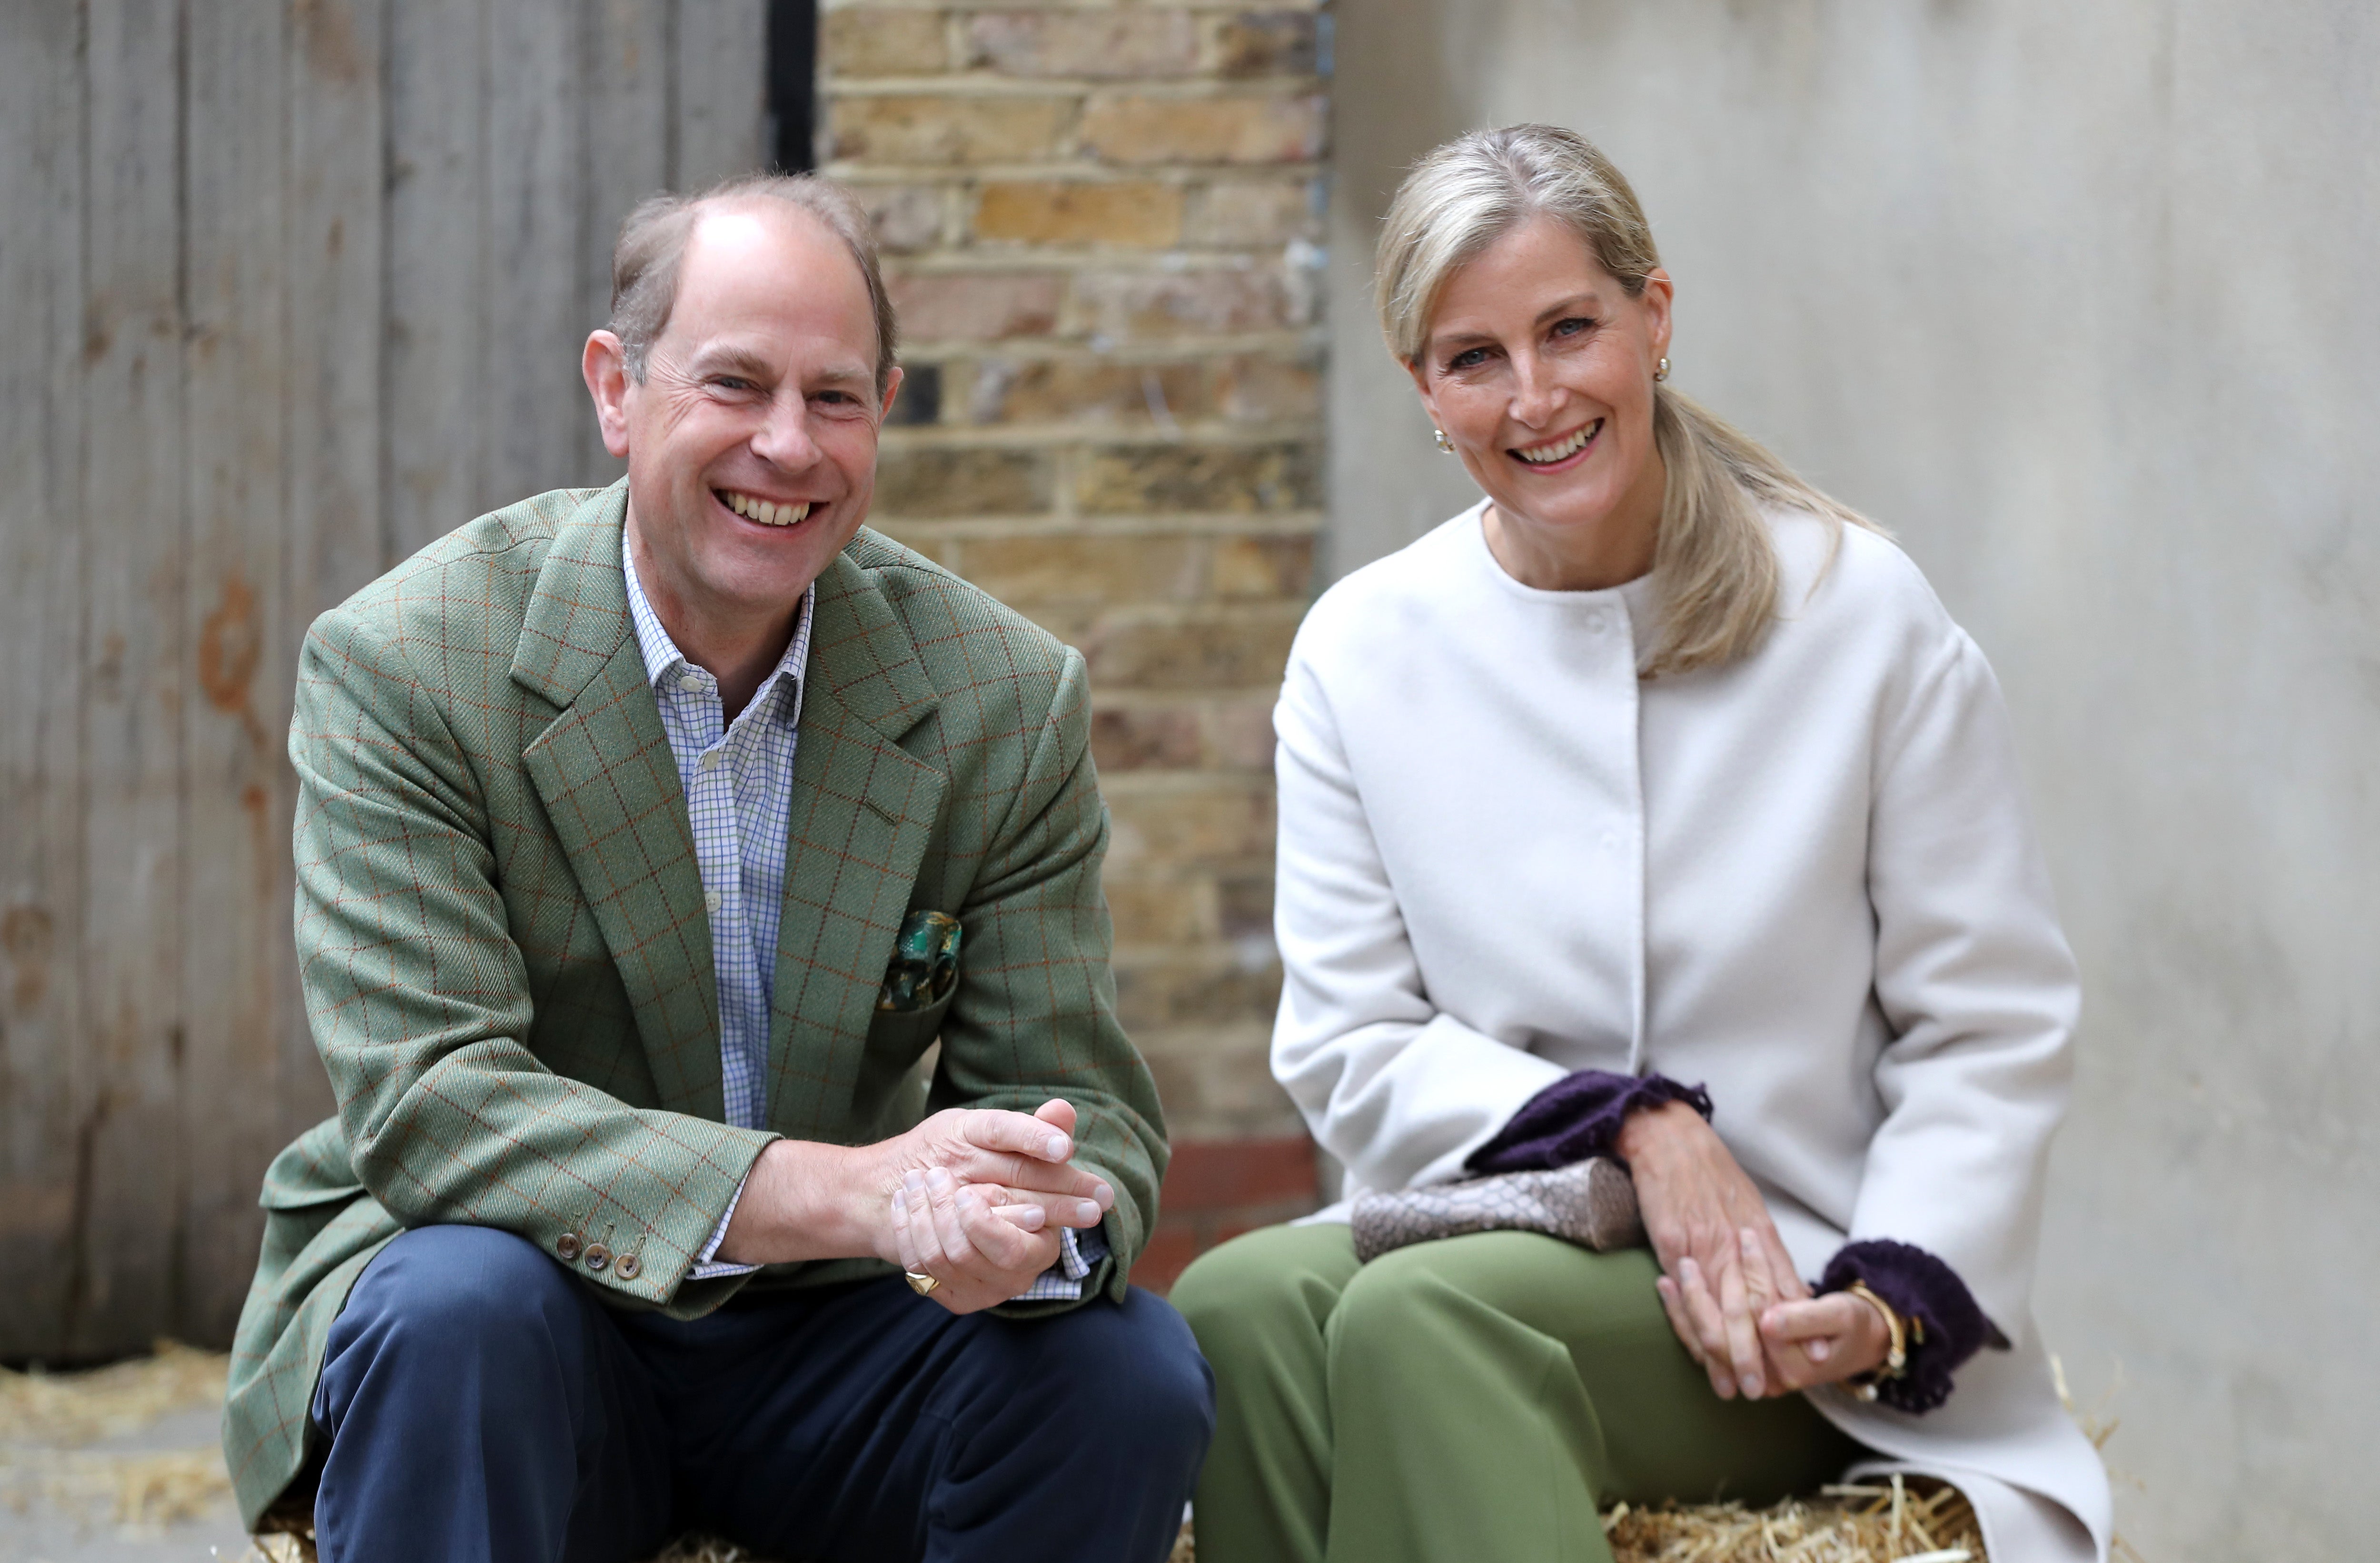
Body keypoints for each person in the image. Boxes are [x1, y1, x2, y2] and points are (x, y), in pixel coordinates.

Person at [219, 172, 1212, 1563]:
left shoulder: (1001, 694)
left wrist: (1020, 1219)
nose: (788, 445)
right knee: (455, 1311)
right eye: (736, 383)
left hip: (837, 1336)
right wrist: (851, 1189)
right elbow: (434, 1104)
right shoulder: (408, 663)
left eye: (838, 398)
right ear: (617, 391)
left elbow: (1082, 1102)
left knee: (1126, 1373)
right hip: (528, 1308)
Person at [1170, 124, 2111, 1563]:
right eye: (1475, 356)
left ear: (1653, 318)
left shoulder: (1861, 615)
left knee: (1431, 1322)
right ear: (1424, 388)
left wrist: (1889, 1295)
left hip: (1798, 1292)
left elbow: (1987, 1020)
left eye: (1570, 329)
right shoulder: (1362, 651)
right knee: (1232, 1308)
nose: (1533, 396)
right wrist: (1633, 1125)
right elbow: (1350, 1039)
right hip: (1511, 1219)